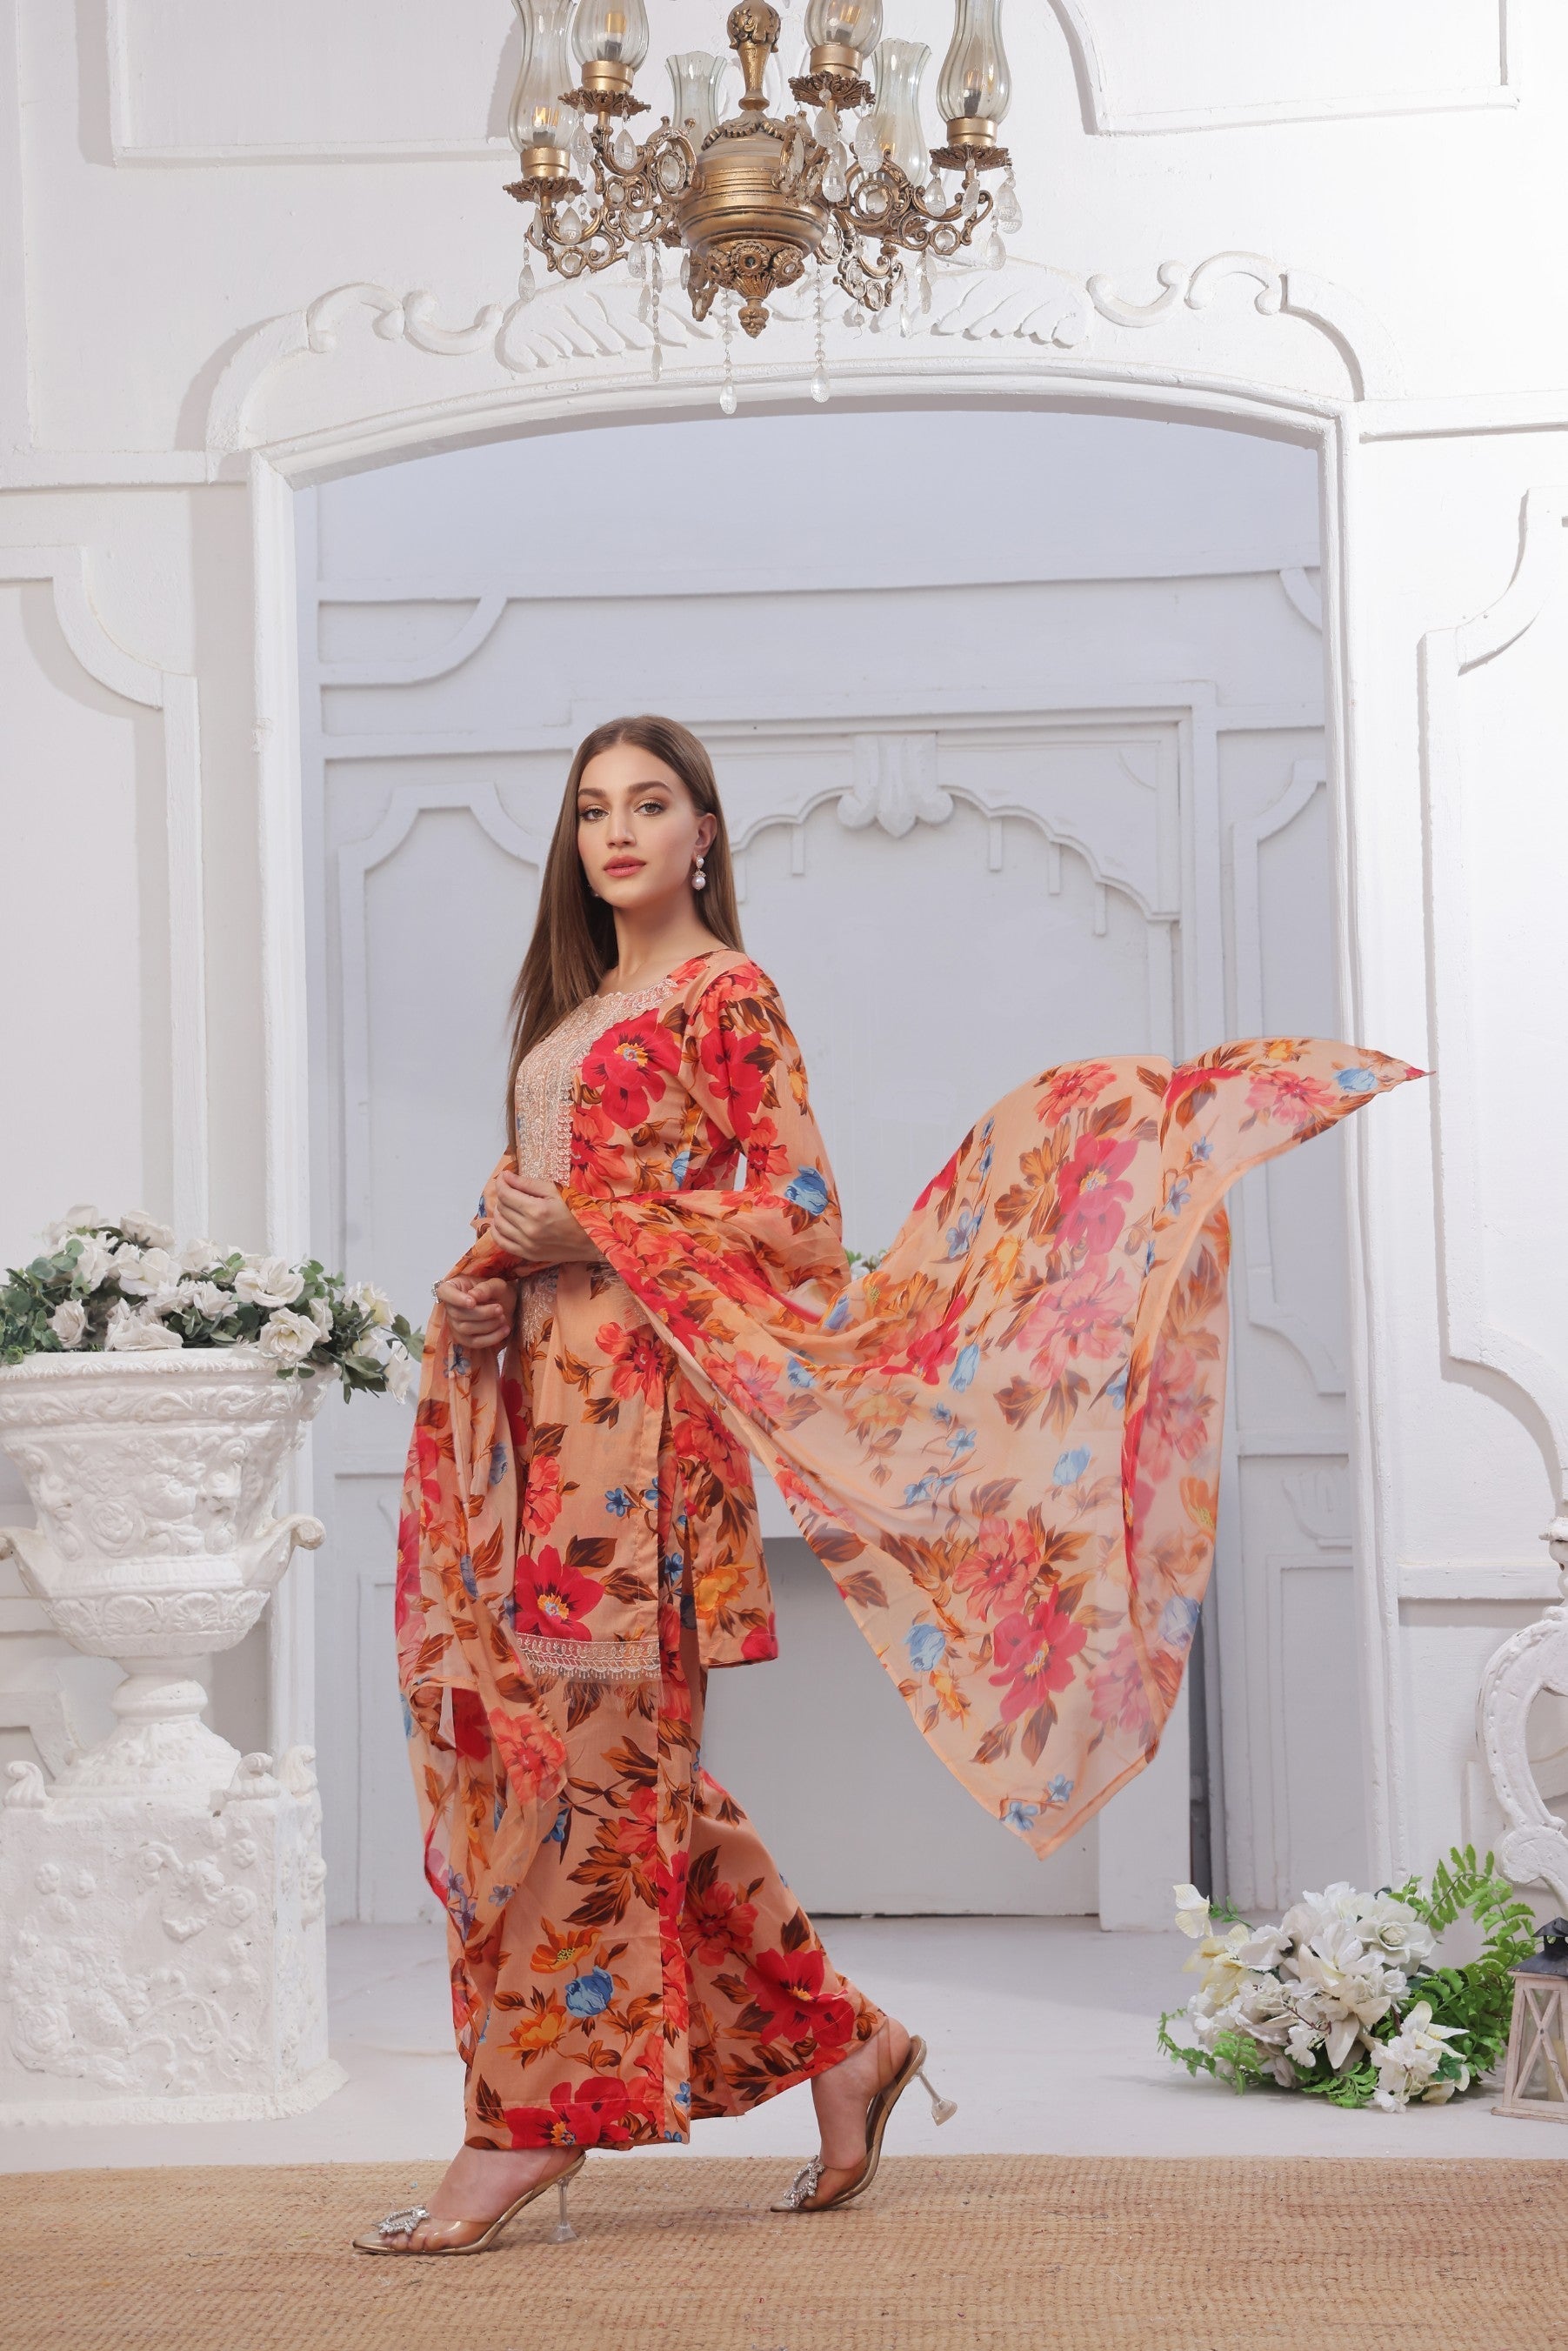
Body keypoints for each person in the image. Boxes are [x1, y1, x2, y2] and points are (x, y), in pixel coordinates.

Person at [356, 714, 1417, 2255]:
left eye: (649, 803)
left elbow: (796, 1221)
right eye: (592, 810)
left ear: (706, 832)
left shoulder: (727, 996)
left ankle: (521, 2130)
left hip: (641, 1443)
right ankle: (850, 2046)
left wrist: (597, 1234)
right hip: (534, 1429)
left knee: (587, 1774)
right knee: (609, 1772)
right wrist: (481, 1298)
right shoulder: (577, 1011)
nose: (618, 832)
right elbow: (533, 1221)